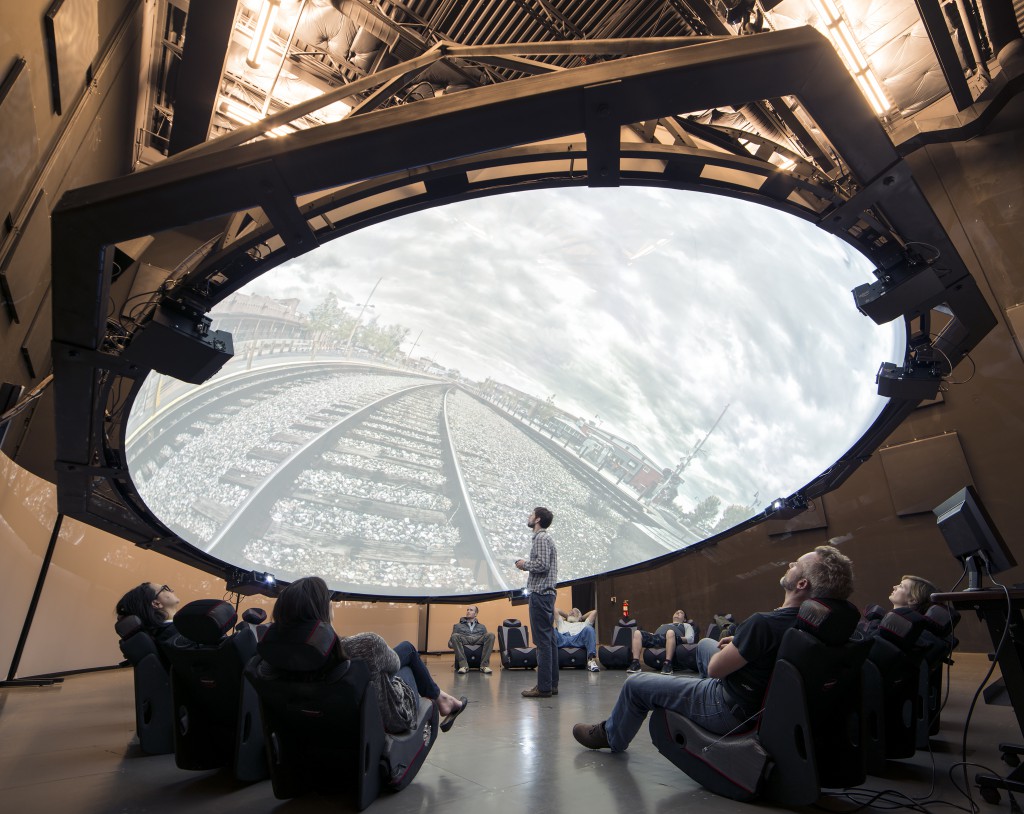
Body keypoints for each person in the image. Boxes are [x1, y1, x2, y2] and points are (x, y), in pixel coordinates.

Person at [572, 544, 855, 751]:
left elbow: (716, 669)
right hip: (760, 700)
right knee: (707, 643)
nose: (789, 566)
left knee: (636, 686)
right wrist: (743, 644)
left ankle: (611, 735)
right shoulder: (816, 625)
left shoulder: (765, 624)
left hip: (728, 707)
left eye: (795, 565)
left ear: (801, 583)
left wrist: (743, 644)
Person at [272, 576, 467, 734]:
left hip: (311, 725)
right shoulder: (366, 644)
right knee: (407, 650)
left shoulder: (271, 659)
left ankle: (443, 698)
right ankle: (442, 699)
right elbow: (393, 665)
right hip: (386, 718)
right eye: (329, 601)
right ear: (323, 611)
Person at [515, 506, 558, 698]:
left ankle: (544, 687)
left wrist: (524, 565)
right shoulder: (546, 539)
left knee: (542, 643)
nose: (529, 516)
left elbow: (542, 564)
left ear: (538, 519)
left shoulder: (541, 538)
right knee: (549, 641)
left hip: (540, 594)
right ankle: (551, 684)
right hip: (546, 594)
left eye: (531, 514)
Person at [625, 609, 695, 675]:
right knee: (637, 633)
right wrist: (652, 635)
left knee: (670, 632)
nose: (677, 613)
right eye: (676, 612)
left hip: (674, 638)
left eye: (681, 613)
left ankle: (668, 664)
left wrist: (677, 638)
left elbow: (690, 639)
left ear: (684, 619)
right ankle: (635, 663)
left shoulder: (686, 625)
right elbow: (656, 635)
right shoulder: (664, 625)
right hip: (659, 638)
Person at [115, 582, 181, 643]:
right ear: (156, 603)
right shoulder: (176, 632)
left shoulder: (163, 634)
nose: (172, 590)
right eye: (165, 589)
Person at [449, 604, 495, 674]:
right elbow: (450, 644)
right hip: (464, 639)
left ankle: (484, 666)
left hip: (478, 639)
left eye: (471, 610)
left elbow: (486, 639)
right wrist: (456, 644)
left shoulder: (482, 626)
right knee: (455, 636)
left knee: (491, 635)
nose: (468, 611)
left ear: (476, 614)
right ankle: (463, 666)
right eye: (467, 610)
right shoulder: (457, 626)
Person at [555, 607, 600, 672]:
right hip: (563, 638)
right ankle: (548, 662)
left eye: (575, 611)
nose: (572, 612)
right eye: (571, 611)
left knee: (589, 629)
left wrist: (582, 618)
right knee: (551, 630)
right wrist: (566, 615)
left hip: (578, 639)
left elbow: (594, 612)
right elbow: (555, 609)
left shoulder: (584, 624)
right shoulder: (561, 623)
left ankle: (591, 661)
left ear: (579, 616)